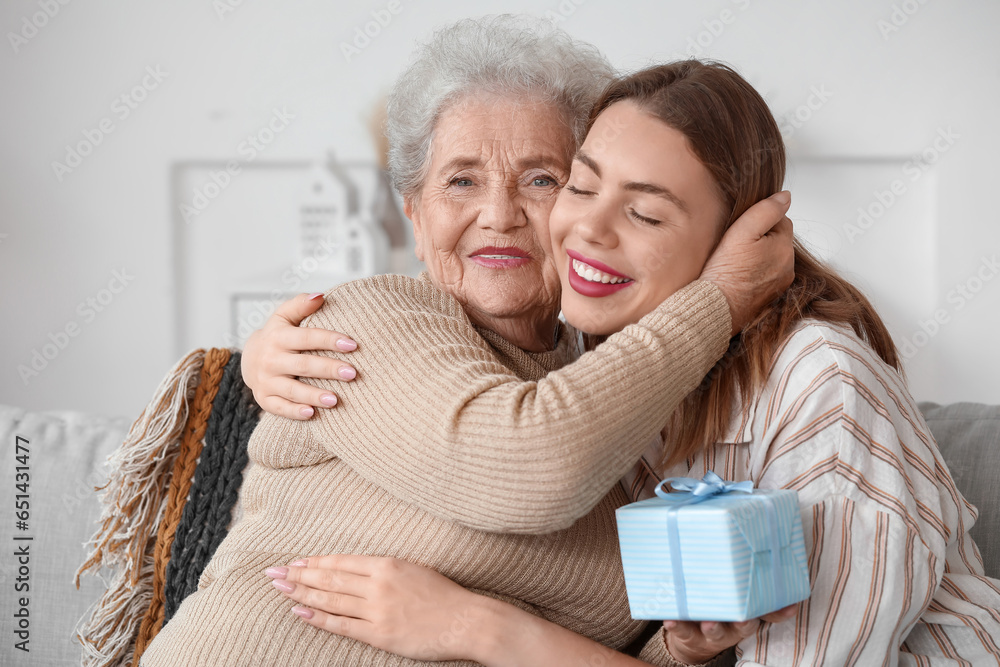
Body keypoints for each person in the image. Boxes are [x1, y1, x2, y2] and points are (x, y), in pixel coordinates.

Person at [250, 60, 1000, 665]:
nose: (585, 229)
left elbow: (533, 464)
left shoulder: (820, 382)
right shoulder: (595, 377)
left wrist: (478, 628)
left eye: (643, 212)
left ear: (734, 243)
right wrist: (246, 362)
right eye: (579, 185)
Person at [139, 18, 794, 667]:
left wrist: (678, 647)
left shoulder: (611, 391)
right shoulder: (361, 319)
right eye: (461, 180)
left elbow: (575, 637)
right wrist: (719, 299)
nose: (500, 214)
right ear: (415, 215)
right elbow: (530, 468)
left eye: (542, 179)